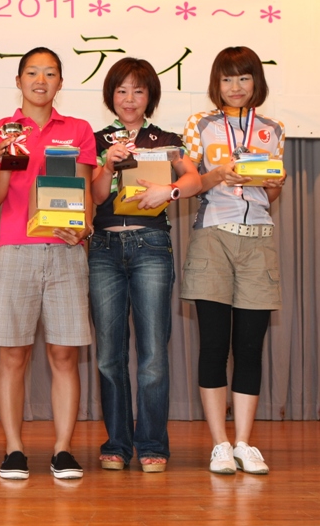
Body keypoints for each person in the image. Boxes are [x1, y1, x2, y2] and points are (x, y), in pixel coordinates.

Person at [0, 47, 96, 480]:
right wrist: (9, 158)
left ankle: (63, 450)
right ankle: (14, 449)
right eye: (32, 72)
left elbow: (85, 193)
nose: (40, 81)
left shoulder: (79, 130)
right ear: (18, 80)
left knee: (64, 354)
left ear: (60, 82)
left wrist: (83, 229)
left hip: (66, 252)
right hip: (15, 251)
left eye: (50, 73)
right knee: (13, 354)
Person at [89, 58, 201, 473]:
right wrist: (107, 164)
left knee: (153, 353)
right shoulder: (97, 140)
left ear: (150, 95)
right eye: (121, 90)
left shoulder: (166, 139)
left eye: (138, 90)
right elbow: (95, 197)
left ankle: (153, 443)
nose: (129, 98)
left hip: (151, 244)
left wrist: (169, 192)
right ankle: (117, 443)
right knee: (108, 355)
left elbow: (193, 179)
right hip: (103, 248)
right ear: (111, 96)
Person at [180, 46, 286, 475]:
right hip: (213, 236)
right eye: (227, 79)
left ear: (256, 80)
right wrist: (218, 175)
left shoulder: (273, 129)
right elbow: (190, 181)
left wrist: (274, 181)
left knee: (249, 347)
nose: (236, 87)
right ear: (216, 83)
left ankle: (243, 442)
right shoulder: (200, 125)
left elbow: (269, 194)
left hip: (258, 239)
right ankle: (219, 444)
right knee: (213, 345)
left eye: (244, 77)